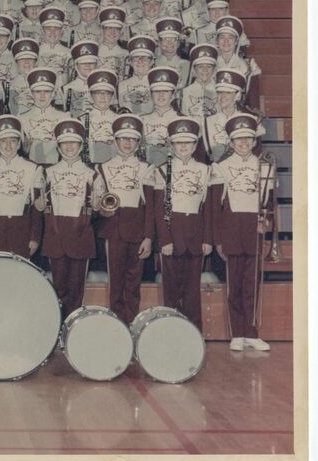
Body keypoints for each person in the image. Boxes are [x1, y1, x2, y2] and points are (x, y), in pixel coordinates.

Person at [209, 113, 272, 351]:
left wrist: (265, 223)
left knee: (252, 284)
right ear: (232, 142)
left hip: (254, 229)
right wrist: (218, 240)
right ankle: (237, 333)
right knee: (234, 283)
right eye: (239, 139)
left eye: (248, 139)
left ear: (254, 141)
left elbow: (269, 202)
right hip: (232, 229)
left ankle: (252, 332)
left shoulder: (264, 165)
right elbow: (215, 206)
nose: (244, 143)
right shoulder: (221, 167)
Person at [92, 114, 154, 325]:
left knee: (133, 282)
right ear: (115, 141)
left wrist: (148, 237)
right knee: (116, 282)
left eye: (132, 139)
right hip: (114, 230)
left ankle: (132, 323)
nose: (127, 143)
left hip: (137, 230)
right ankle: (117, 324)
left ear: (138, 142)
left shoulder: (147, 168)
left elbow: (151, 207)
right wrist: (103, 210)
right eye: (123, 139)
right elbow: (97, 204)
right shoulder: (102, 168)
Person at [152, 117, 212, 330]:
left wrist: (207, 239)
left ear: (195, 145)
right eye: (179, 142)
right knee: (171, 288)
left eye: (188, 142)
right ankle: (172, 330)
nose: (183, 147)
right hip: (172, 234)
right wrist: (165, 240)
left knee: (192, 289)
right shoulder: (161, 170)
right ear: (171, 144)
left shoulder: (205, 170)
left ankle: (194, 332)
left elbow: (207, 208)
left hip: (195, 234)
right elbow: (159, 210)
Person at [41, 118, 96, 317]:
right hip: (56, 237)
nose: (69, 147)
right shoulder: (48, 172)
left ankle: (73, 328)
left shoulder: (92, 173)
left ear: (81, 145)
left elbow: (97, 208)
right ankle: (58, 327)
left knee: (76, 290)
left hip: (80, 237)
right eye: (65, 143)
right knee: (58, 289)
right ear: (58, 146)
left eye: (73, 142)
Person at [0, 115, 44, 259]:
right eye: (3, 141)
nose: (8, 146)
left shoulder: (33, 168)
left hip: (21, 229)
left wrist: (35, 237)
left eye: (13, 141)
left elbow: (36, 209)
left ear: (19, 144)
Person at [203, 69, 265, 163]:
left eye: (228, 93)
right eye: (220, 92)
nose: (222, 96)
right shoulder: (207, 121)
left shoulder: (251, 119)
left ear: (238, 96)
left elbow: (257, 151)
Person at [19, 68, 70, 165]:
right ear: (31, 93)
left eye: (47, 91)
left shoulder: (64, 117)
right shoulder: (22, 119)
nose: (42, 96)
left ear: (53, 93)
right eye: (38, 91)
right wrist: (24, 151)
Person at [141, 66, 181, 166]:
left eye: (166, 91)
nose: (161, 95)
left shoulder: (182, 120)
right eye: (157, 91)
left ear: (173, 95)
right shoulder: (142, 120)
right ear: (151, 95)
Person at [84, 69, 119, 164]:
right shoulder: (82, 120)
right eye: (98, 92)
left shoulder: (119, 120)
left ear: (112, 97)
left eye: (107, 93)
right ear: (91, 96)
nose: (102, 97)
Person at [58, 40, 100, 118]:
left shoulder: (103, 86)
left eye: (91, 63)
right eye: (83, 63)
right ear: (76, 65)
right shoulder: (65, 88)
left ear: (96, 65)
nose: (88, 65)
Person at [118, 35, 156, 115]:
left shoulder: (157, 84)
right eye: (136, 58)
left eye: (145, 58)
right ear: (130, 62)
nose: (140, 61)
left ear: (152, 61)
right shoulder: (122, 85)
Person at [180, 44, 219, 120]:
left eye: (209, 66)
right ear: (194, 70)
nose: (205, 70)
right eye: (201, 66)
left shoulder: (219, 90)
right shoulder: (186, 92)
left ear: (214, 70)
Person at [37, 6, 72, 83]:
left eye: (56, 29)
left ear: (62, 32)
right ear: (42, 32)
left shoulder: (69, 53)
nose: (52, 32)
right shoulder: (35, 52)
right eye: (48, 29)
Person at [155, 17, 190, 87]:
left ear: (178, 43)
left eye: (173, 39)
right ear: (159, 43)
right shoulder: (152, 64)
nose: (170, 42)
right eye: (165, 39)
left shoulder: (188, 65)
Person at [8, 38, 40, 115]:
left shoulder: (42, 82)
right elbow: (12, 110)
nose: (26, 62)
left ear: (35, 62)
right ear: (16, 62)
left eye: (30, 58)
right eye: (22, 59)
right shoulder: (11, 85)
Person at [97, 6, 129, 75]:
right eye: (109, 28)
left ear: (121, 31)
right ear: (102, 30)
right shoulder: (94, 52)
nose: (113, 32)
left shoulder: (126, 54)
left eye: (117, 29)